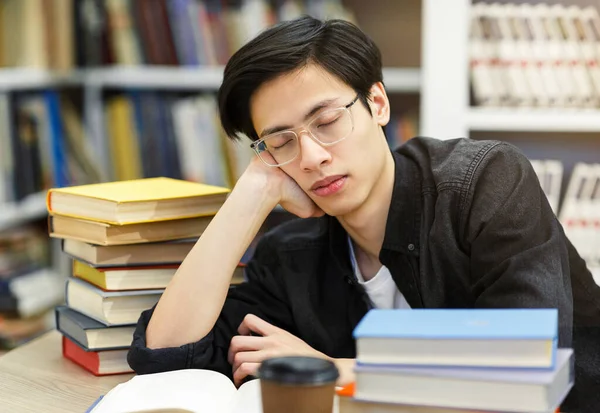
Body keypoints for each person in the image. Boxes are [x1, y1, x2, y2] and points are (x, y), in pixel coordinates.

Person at [127, 16, 599, 412]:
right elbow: (166, 353)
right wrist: (254, 189)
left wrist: (332, 370)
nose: (311, 157)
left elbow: (529, 363)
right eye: (281, 141)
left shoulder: (482, 181)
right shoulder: (292, 253)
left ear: (377, 103)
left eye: (327, 121)